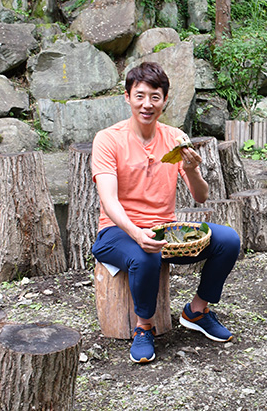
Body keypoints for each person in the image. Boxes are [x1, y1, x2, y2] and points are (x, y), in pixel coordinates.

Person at [91, 61, 241, 364]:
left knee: (228, 240)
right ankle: (143, 326)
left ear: (165, 100)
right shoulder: (108, 139)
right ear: (127, 97)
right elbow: (108, 200)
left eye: (155, 97)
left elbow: (201, 197)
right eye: (140, 95)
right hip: (116, 232)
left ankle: (196, 311)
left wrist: (191, 169)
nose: (147, 104)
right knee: (146, 253)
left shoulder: (175, 137)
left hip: (165, 230)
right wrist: (136, 233)